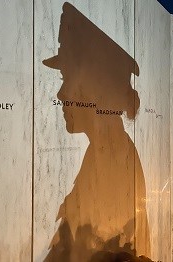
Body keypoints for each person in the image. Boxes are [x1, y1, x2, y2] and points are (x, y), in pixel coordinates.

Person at [42, 2, 150, 261]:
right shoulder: (104, 151)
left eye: (66, 78)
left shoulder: (113, 158)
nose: (61, 94)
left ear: (96, 89)